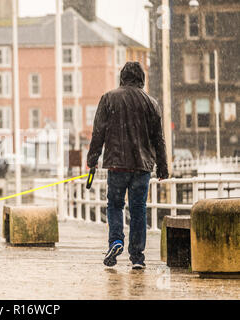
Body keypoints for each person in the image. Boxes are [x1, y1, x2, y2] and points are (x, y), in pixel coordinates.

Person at [86, 62, 169, 270]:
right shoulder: (151, 103)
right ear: (141, 79)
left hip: (117, 165)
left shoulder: (109, 98)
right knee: (138, 209)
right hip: (142, 167)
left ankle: (116, 241)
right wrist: (163, 166)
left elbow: (98, 133)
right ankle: (138, 256)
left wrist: (92, 159)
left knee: (115, 205)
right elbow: (159, 139)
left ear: (122, 77)